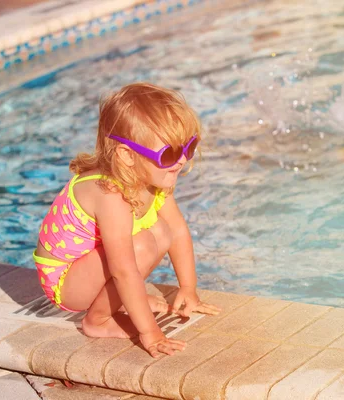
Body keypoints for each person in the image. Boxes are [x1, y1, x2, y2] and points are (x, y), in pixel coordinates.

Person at [33, 82, 221, 358]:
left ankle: (117, 302)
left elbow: (179, 232)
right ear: (127, 155)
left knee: (162, 231)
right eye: (168, 154)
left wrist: (188, 288)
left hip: (91, 268)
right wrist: (151, 333)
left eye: (188, 147)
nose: (180, 161)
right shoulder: (110, 194)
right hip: (65, 281)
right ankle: (97, 320)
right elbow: (122, 269)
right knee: (142, 245)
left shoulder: (155, 178)